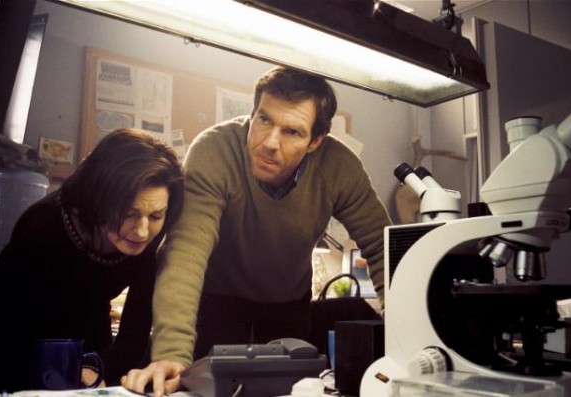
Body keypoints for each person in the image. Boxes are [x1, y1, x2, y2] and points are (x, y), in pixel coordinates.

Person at [122, 66, 392, 396]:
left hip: (288, 305)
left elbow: (385, 249)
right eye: (263, 120)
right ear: (252, 113)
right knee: (201, 387)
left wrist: (408, 338)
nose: (269, 143)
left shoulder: (340, 167)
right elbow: (185, 252)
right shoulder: (214, 151)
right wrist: (171, 354)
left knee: (294, 390)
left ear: (315, 141)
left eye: (292, 132)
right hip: (216, 299)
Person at [0, 128, 184, 391]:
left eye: (155, 216)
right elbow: (10, 331)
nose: (142, 231)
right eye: (129, 213)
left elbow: (134, 335)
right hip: (19, 333)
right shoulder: (41, 227)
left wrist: (97, 365)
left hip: (93, 326)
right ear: (98, 198)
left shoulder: (150, 240)